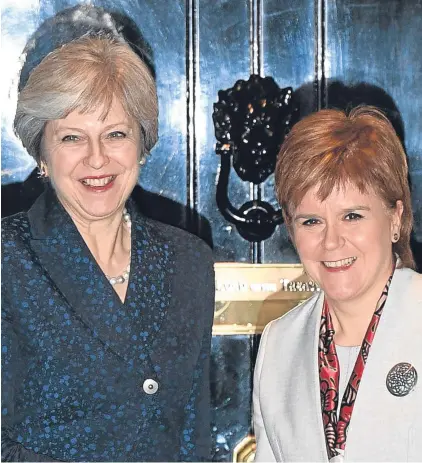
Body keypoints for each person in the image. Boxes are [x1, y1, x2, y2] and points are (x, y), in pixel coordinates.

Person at [1, 29, 214, 462]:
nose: (97, 158)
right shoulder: (7, 260)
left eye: (115, 134)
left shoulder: (189, 260)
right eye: (72, 137)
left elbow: (195, 433)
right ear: (42, 153)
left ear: (142, 143)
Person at [253, 106, 421, 462]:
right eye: (312, 221)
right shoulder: (278, 345)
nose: (331, 242)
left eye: (352, 216)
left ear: (395, 217)